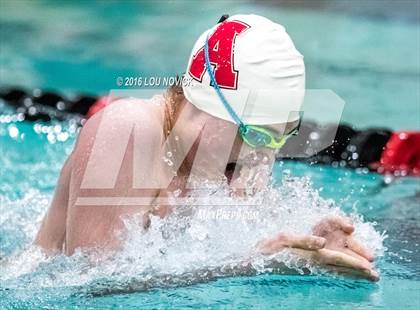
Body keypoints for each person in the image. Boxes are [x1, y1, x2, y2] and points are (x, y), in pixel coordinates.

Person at [34, 14, 379, 281]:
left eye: (283, 136)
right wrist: (255, 265)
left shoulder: (238, 156)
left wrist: (309, 242)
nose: (266, 155)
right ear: (205, 106)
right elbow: (88, 285)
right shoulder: (127, 130)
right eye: (258, 135)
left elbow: (252, 242)